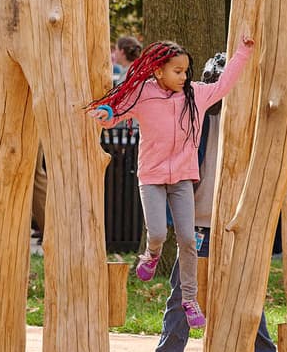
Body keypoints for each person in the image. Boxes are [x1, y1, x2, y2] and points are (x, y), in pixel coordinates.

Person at [145, 51, 287, 352]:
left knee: (247, 295)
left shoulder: (258, 130)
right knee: (183, 296)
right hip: (197, 223)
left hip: (237, 224)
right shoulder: (192, 123)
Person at [87, 38, 254, 329]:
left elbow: (224, 85)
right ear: (158, 71)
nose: (184, 76)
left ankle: (190, 300)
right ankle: (151, 255)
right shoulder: (144, 94)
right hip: (151, 178)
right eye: (177, 71)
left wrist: (243, 52)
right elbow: (119, 110)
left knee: (188, 239)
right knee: (158, 233)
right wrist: (107, 114)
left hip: (182, 179)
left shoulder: (196, 95)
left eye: (186, 71)